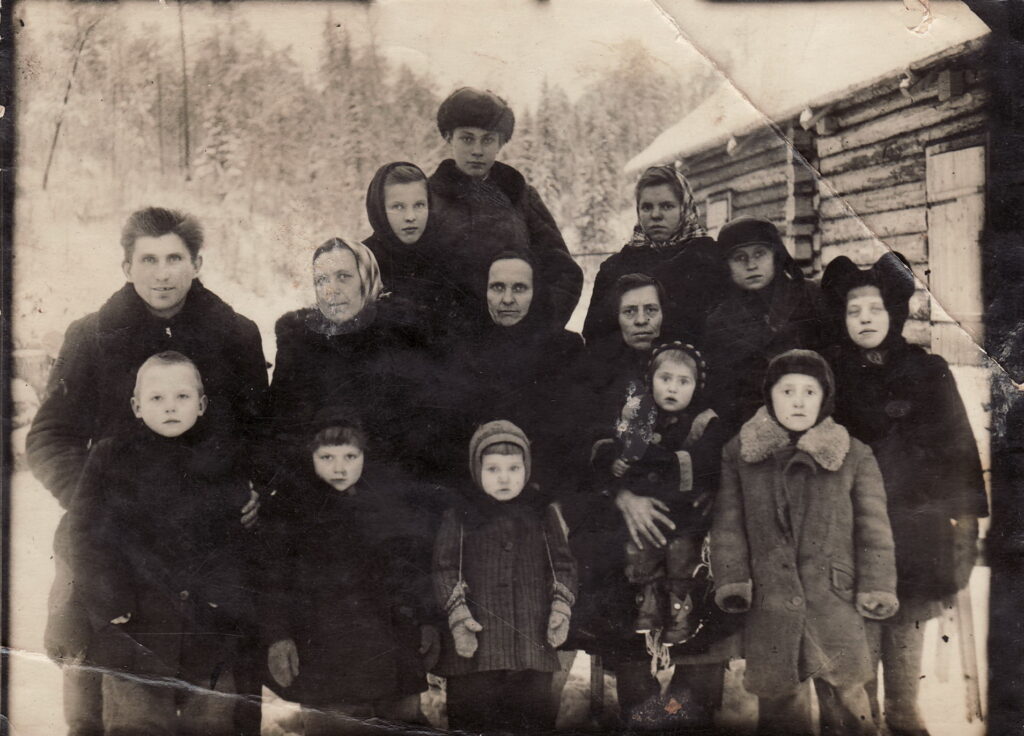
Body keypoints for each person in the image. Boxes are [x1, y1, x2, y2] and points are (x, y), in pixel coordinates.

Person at [25, 206, 267, 736]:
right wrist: (99, 497)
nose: (162, 273)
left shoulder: (235, 334)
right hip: (108, 540)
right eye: (149, 259)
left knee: (223, 698)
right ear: (126, 266)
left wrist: (254, 491)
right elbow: (47, 436)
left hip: (209, 538)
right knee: (102, 698)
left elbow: (260, 433)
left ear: (197, 263)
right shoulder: (91, 336)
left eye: (175, 258)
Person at [821, 252, 989, 736]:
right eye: (854, 311)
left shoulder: (927, 369)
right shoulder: (830, 372)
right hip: (852, 523)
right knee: (857, 620)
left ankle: (905, 710)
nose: (865, 319)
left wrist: (965, 516)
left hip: (918, 523)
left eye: (874, 309)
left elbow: (957, 444)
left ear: (894, 313)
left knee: (909, 610)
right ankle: (862, 719)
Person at [711, 349, 899, 735]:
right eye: (787, 391)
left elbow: (874, 530)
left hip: (834, 600)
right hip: (771, 602)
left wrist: (876, 586)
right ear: (770, 397)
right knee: (781, 704)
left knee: (848, 701)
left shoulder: (853, 455)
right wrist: (733, 579)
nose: (798, 401)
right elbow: (727, 526)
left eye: (809, 392)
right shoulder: (741, 455)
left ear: (825, 397)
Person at [68, 353, 254, 735]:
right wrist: (111, 602)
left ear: (202, 405)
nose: (170, 406)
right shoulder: (110, 456)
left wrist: (224, 594)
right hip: (136, 632)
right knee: (136, 723)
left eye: (183, 397)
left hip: (207, 630)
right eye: (156, 398)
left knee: (213, 722)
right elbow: (86, 536)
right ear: (137, 407)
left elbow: (238, 539)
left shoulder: (223, 458)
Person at [261, 412, 438, 735]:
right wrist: (279, 637)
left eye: (350, 457)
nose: (339, 468)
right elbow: (276, 582)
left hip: (393, 658)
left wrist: (426, 622)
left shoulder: (389, 509)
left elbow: (411, 572)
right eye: (326, 457)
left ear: (365, 457)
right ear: (310, 457)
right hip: (326, 664)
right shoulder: (293, 514)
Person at [432, 421, 577, 733]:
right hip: (474, 649)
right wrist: (458, 616)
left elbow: (562, 565)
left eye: (514, 468)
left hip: (532, 646)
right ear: (476, 469)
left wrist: (561, 608)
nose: (504, 478)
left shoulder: (540, 513)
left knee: (532, 722)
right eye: (493, 469)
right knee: (473, 722)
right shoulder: (460, 514)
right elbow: (444, 568)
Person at [268, 236, 439, 481]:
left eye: (343, 277)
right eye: (322, 280)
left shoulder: (402, 337)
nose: (332, 289)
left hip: (390, 486)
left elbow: (420, 432)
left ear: (366, 279)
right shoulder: (298, 343)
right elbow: (282, 428)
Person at [591, 342, 727, 647]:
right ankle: (647, 600)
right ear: (651, 380)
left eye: (683, 382)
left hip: (685, 513)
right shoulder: (637, 415)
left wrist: (650, 459)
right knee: (638, 551)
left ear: (696, 387)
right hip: (645, 508)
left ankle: (681, 609)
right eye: (665, 379)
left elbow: (705, 463)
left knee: (682, 558)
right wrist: (616, 461)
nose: (673, 389)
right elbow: (608, 446)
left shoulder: (704, 422)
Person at [428, 87, 583, 327]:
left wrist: (536, 331)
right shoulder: (426, 199)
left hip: (515, 344)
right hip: (450, 349)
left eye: (488, 139)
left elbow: (564, 273)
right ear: (449, 137)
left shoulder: (520, 196)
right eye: (467, 138)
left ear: (501, 142)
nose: (477, 150)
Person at [446, 250, 584, 492]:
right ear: (483, 291)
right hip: (475, 487)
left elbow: (570, 434)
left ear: (536, 292)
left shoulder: (564, 349)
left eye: (519, 288)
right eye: (497, 287)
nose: (507, 299)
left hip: (545, 486)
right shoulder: (461, 349)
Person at [704, 217, 832, 432]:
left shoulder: (810, 296)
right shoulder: (719, 320)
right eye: (739, 257)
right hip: (751, 424)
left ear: (776, 256)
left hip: (814, 415)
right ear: (726, 265)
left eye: (759, 254)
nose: (751, 265)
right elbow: (721, 390)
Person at [582, 165, 719, 344]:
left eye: (667, 206)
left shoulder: (711, 259)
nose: (655, 215)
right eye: (646, 207)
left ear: (684, 208)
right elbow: (595, 336)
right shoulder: (614, 268)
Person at [362, 161, 463, 339]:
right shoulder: (362, 260)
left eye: (419, 205)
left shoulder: (449, 256)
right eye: (398, 207)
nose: (410, 217)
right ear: (379, 209)